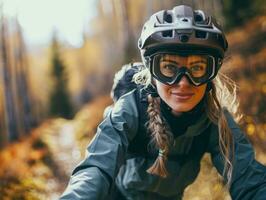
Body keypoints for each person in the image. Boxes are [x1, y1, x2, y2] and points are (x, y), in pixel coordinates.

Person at [60, 5, 266, 200]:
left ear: (211, 72)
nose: (184, 82)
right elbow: (95, 167)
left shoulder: (215, 121)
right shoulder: (131, 110)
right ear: (152, 71)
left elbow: (250, 180)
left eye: (197, 68)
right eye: (168, 67)